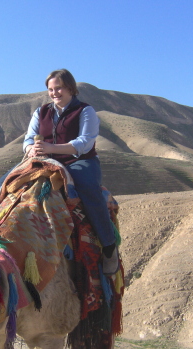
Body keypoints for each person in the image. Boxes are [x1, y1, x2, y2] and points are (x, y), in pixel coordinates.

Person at [23, 68, 118, 275]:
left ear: (70, 88)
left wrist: (51, 148)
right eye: (51, 89)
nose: (54, 93)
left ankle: (109, 246)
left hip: (79, 161)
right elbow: (29, 139)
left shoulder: (85, 111)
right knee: (2, 185)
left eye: (59, 88)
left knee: (88, 189)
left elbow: (84, 143)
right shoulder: (41, 112)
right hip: (45, 161)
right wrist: (31, 149)